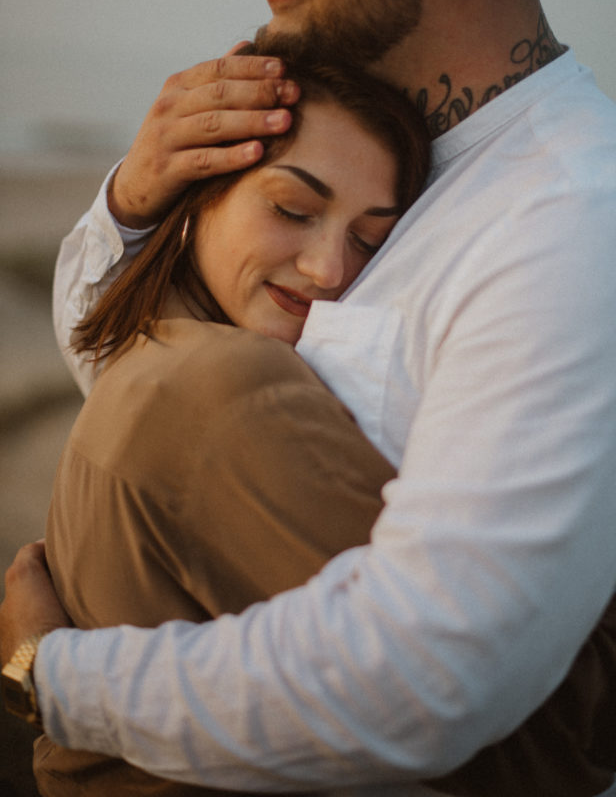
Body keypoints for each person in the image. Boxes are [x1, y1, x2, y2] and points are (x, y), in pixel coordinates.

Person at [2, 0, 616, 794]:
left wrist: (52, 677)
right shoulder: (369, 143)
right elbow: (142, 392)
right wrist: (139, 204)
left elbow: (431, 678)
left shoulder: (582, 217)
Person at [31, 52, 430, 796]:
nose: (328, 271)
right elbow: (441, 687)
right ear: (195, 199)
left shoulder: (148, 347)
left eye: (368, 241)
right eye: (291, 210)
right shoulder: (231, 389)